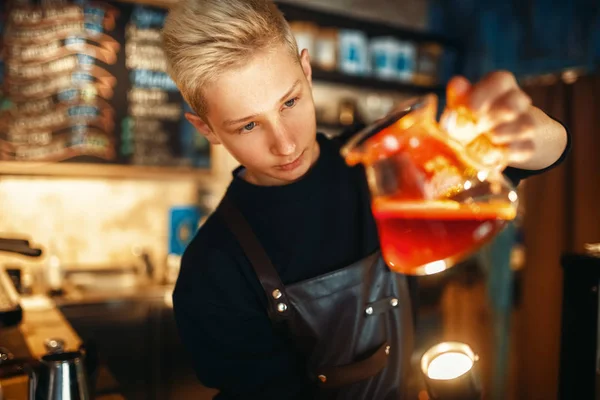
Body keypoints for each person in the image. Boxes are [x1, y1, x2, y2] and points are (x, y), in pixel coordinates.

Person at [162, 1, 570, 399]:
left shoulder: (389, 161)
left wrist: (521, 130)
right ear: (207, 128)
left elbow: (550, 151)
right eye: (248, 125)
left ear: (306, 70)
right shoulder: (213, 270)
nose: (284, 144)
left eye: (290, 102)